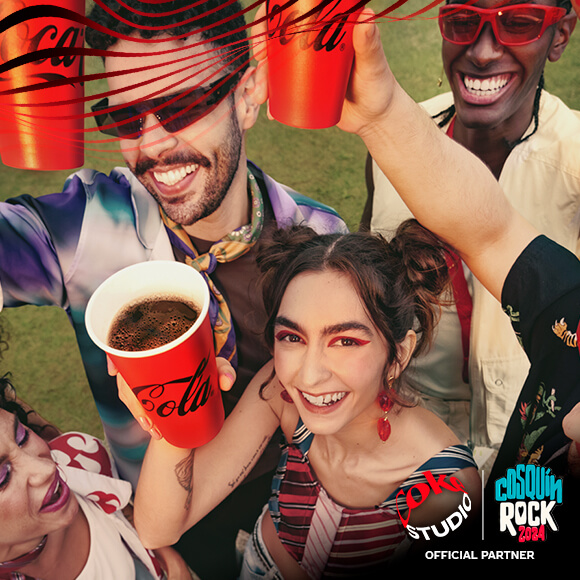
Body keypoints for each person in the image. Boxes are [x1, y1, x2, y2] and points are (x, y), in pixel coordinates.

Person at [0, 1, 346, 576]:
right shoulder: (84, 226)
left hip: (299, 498)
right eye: (124, 115)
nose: (153, 144)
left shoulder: (320, 236)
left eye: (182, 102)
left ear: (248, 91)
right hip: (157, 526)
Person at [325, 7, 580, 554]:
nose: (484, 49)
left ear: (560, 34)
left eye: (519, 22)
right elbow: (491, 233)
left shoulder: (575, 163)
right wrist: (382, 115)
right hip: (411, 460)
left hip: (530, 490)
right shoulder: (399, 142)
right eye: (464, 19)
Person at [115, 222, 481, 576]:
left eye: (346, 341)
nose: (308, 376)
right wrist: (173, 408)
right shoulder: (280, 391)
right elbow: (157, 531)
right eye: (292, 337)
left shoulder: (444, 485)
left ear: (398, 355)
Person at [0, 344, 191, 579]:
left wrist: (169, 560)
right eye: (3, 477)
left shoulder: (79, 455)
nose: (48, 469)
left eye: (21, 436)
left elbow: (117, 502)